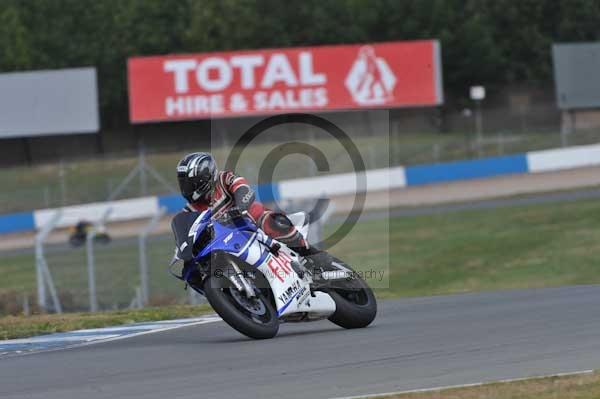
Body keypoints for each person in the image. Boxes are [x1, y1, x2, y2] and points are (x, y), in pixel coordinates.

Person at [176, 152, 310, 253]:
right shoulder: (188, 212)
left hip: (252, 224)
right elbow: (184, 239)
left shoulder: (225, 179)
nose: (186, 189)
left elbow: (244, 190)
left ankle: (311, 257)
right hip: (227, 245)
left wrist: (239, 209)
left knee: (274, 222)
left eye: (190, 184)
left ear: (205, 177)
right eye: (183, 184)